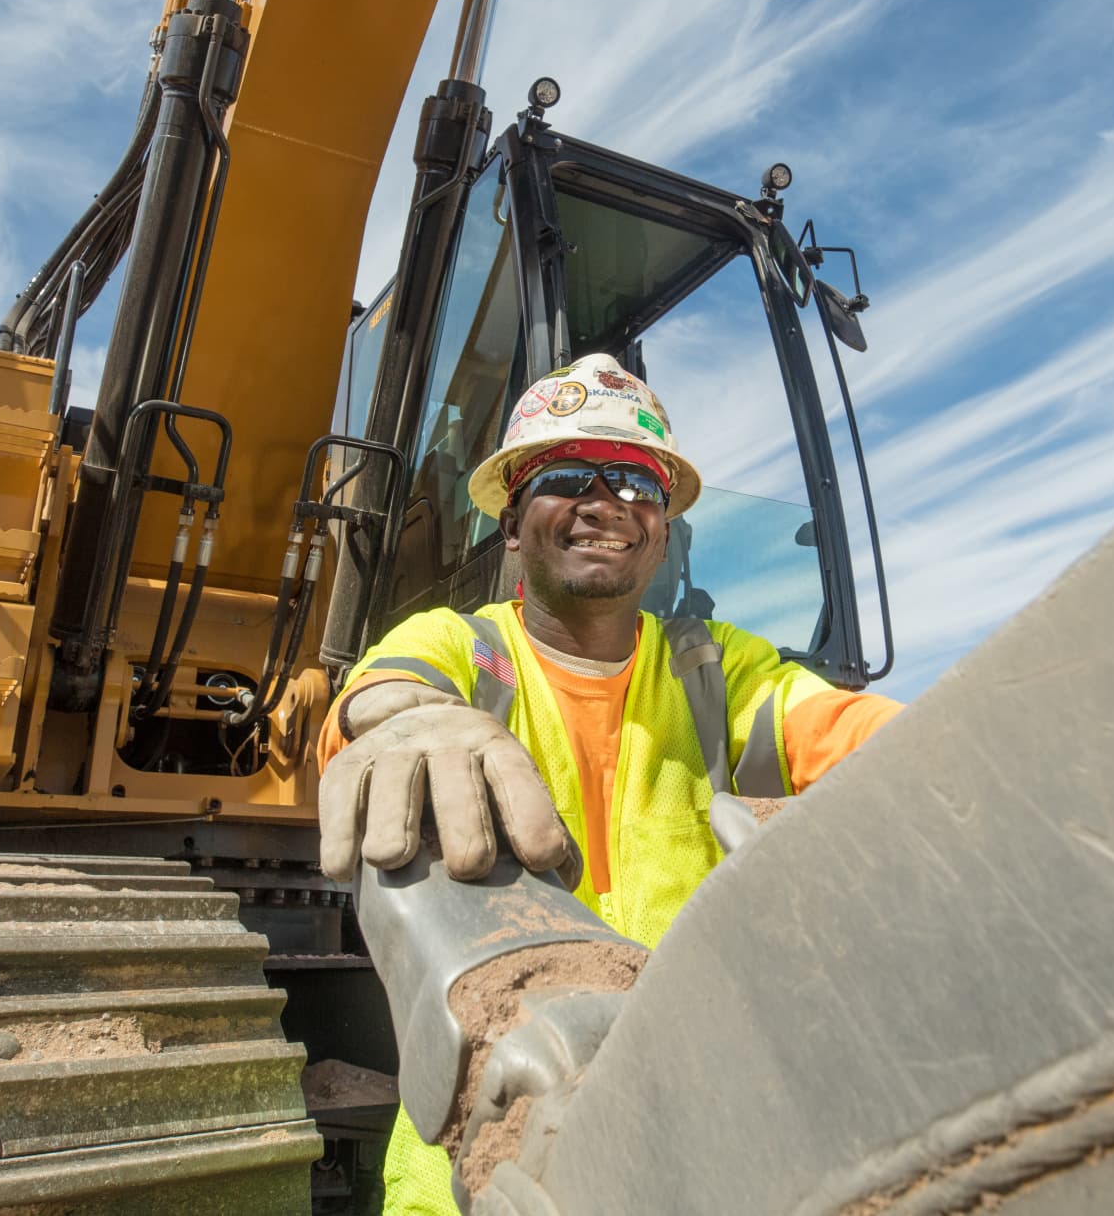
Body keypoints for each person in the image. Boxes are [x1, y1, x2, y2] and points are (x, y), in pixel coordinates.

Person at [317, 353, 904, 1215]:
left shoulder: (718, 668)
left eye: (636, 481)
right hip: (481, 1147)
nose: (606, 501)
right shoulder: (463, 647)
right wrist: (404, 714)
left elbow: (848, 732)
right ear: (513, 525)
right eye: (567, 475)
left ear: (662, 529)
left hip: (698, 1130)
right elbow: (379, 695)